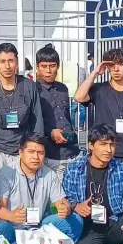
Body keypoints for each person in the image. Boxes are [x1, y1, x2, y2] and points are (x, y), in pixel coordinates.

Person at [0, 135, 78, 244]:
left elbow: (61, 202)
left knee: (75, 220)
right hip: (14, 229)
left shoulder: (49, 174)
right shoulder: (6, 173)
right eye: (31, 152)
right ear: (21, 153)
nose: (36, 157)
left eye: (40, 153)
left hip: (39, 228)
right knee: (1, 226)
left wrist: (65, 209)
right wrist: (11, 216)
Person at [74, 47, 123, 170]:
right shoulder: (99, 90)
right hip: (102, 152)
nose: (116, 69)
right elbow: (78, 97)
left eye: (121, 64)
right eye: (112, 65)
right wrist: (95, 73)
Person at [0, 43, 42, 175]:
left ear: (16, 62)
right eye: (2, 61)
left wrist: (35, 150)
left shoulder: (29, 87)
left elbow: (37, 121)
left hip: (22, 150)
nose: (7, 66)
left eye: (11, 61)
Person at [34, 45, 79, 179]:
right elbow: (32, 120)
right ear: (37, 67)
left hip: (70, 150)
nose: (48, 70)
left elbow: (66, 117)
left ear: (58, 66)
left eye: (52, 66)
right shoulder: (33, 90)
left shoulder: (62, 88)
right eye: (44, 66)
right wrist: (50, 132)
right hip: (48, 153)